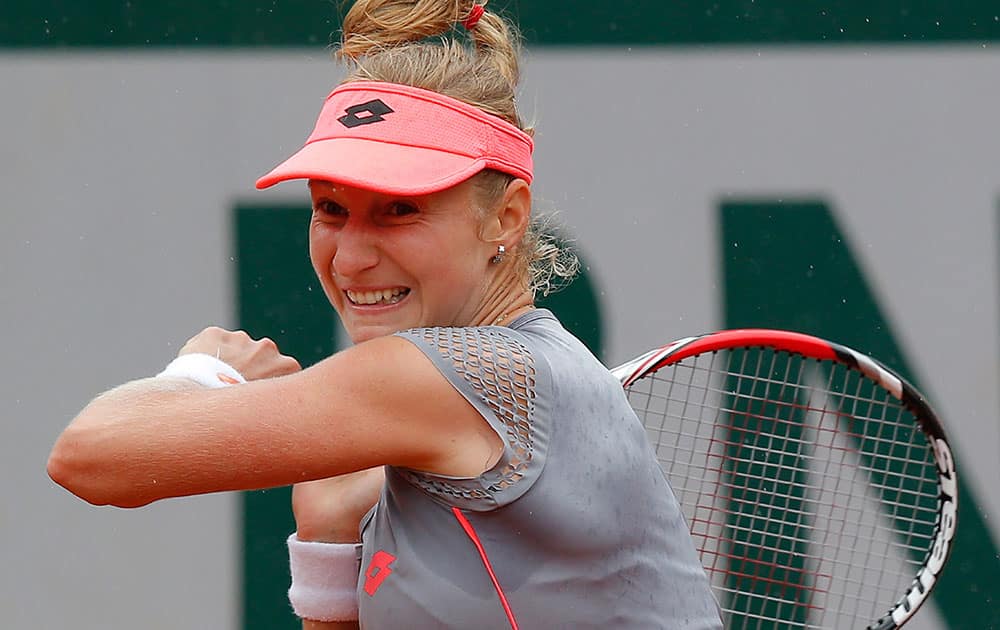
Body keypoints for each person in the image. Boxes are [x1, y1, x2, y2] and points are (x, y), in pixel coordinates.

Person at [47, 1, 722, 628]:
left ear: (507, 217)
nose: (351, 259)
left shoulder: (449, 376)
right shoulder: (516, 374)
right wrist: (329, 544)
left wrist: (203, 372)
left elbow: (89, 458)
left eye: (401, 210)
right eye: (331, 210)